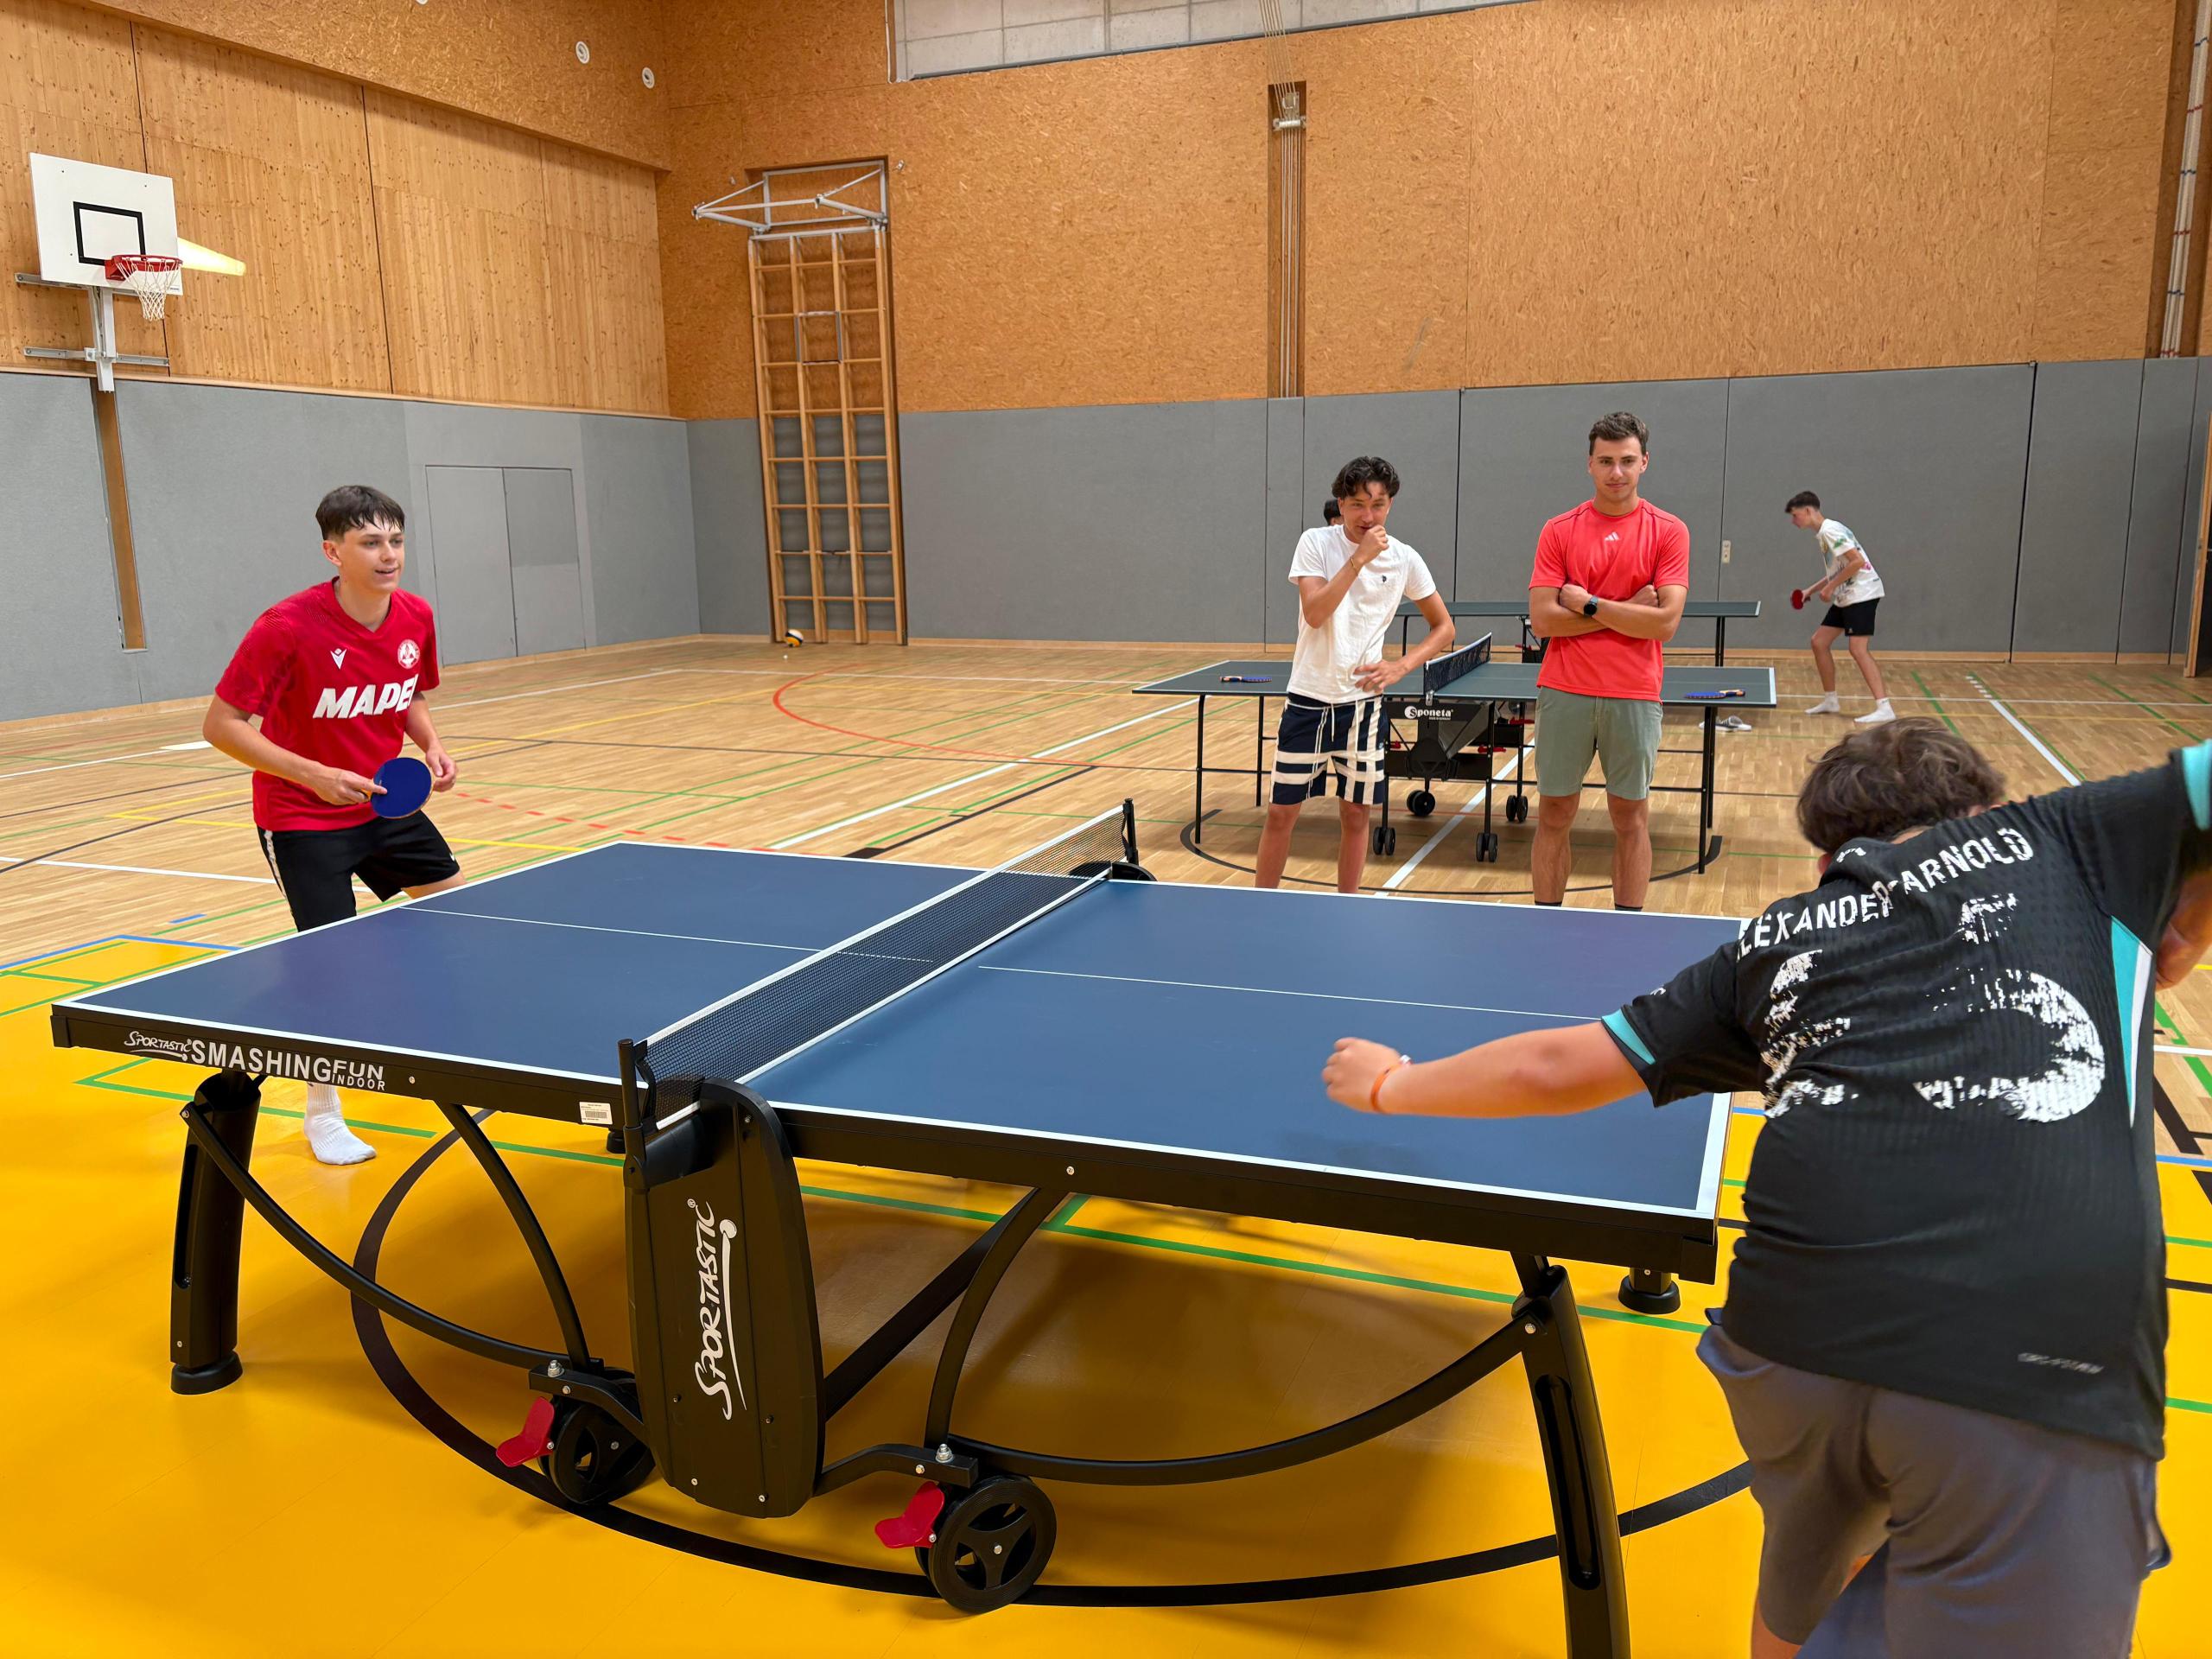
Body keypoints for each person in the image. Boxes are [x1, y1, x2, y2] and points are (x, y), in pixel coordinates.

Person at [1322, 717, 2189, 1658]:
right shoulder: (2062, 836)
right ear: (1983, 808)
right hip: (2025, 1349)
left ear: (1828, 857)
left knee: (1814, 1565)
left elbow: (1555, 1067)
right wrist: (2185, 924)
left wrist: (1390, 1084)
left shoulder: (1775, 939)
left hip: (1786, 1340)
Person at [201, 485, 463, 1165]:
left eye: (396, 540)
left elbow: (409, 693)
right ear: (333, 551)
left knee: (464, 920)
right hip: (303, 816)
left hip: (385, 804)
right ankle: (322, 1113)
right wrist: (312, 774)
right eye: (370, 542)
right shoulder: (285, 626)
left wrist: (431, 742)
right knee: (331, 967)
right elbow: (221, 725)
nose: (388, 555)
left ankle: (454, 1050)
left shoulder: (415, 615)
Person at [1254, 456, 1455, 893]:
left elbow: (1444, 627)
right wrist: (1359, 560)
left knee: (1357, 813)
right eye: (1359, 504)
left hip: (1364, 708)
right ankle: (1261, 904)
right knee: (1282, 813)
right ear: (1341, 504)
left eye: (1378, 505)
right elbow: (1316, 612)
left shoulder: (1405, 559)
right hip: (1308, 700)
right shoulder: (1315, 543)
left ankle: (1349, 905)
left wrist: (1401, 666)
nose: (1369, 515)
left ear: (1390, 505)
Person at [1526, 411, 1688, 911]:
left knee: (1630, 817)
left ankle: (1628, 926)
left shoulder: (1669, 531)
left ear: (1645, 462)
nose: (1616, 472)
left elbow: (1665, 624)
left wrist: (1590, 605)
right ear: (1589, 464)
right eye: (1606, 461)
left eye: (1627, 461)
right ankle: (1545, 922)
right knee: (1554, 813)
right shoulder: (1559, 530)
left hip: (1634, 693)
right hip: (1565, 690)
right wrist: (1630, 610)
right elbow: (1544, 621)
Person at [1789, 491, 1893, 724]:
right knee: (1819, 642)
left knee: (1858, 649)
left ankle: (1884, 707)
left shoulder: (1831, 531)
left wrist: (1829, 589)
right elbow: (1839, 569)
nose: (1793, 521)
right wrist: (1811, 590)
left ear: (1808, 510)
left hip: (1862, 594)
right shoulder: (1825, 533)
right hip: (1847, 595)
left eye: (1795, 516)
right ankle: (1831, 700)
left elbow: (1857, 562)